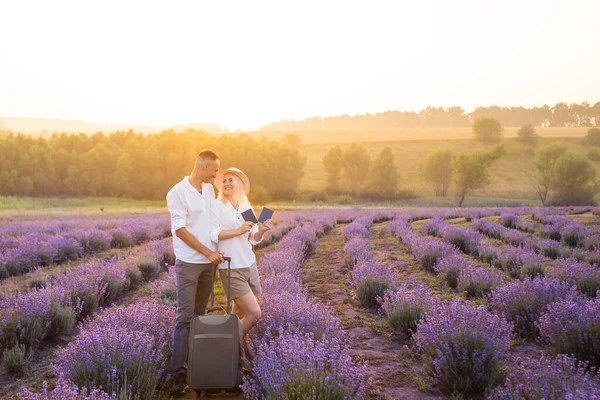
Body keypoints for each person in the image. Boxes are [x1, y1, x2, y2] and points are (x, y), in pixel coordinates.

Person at [166, 150, 225, 397]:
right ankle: (179, 375)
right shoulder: (177, 192)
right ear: (204, 167)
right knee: (185, 317)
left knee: (200, 316)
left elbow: (217, 219)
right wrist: (206, 252)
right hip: (189, 263)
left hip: (208, 265)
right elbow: (180, 230)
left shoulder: (210, 190)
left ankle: (198, 369)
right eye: (214, 170)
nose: (216, 175)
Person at [210, 167, 272, 335]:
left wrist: (262, 231)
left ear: (238, 184)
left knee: (239, 313)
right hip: (231, 267)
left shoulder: (246, 208)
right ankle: (228, 346)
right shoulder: (216, 206)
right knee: (254, 313)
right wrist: (238, 230)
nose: (226, 183)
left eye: (230, 180)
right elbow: (213, 234)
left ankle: (234, 351)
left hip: (249, 264)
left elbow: (253, 237)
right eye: (224, 181)